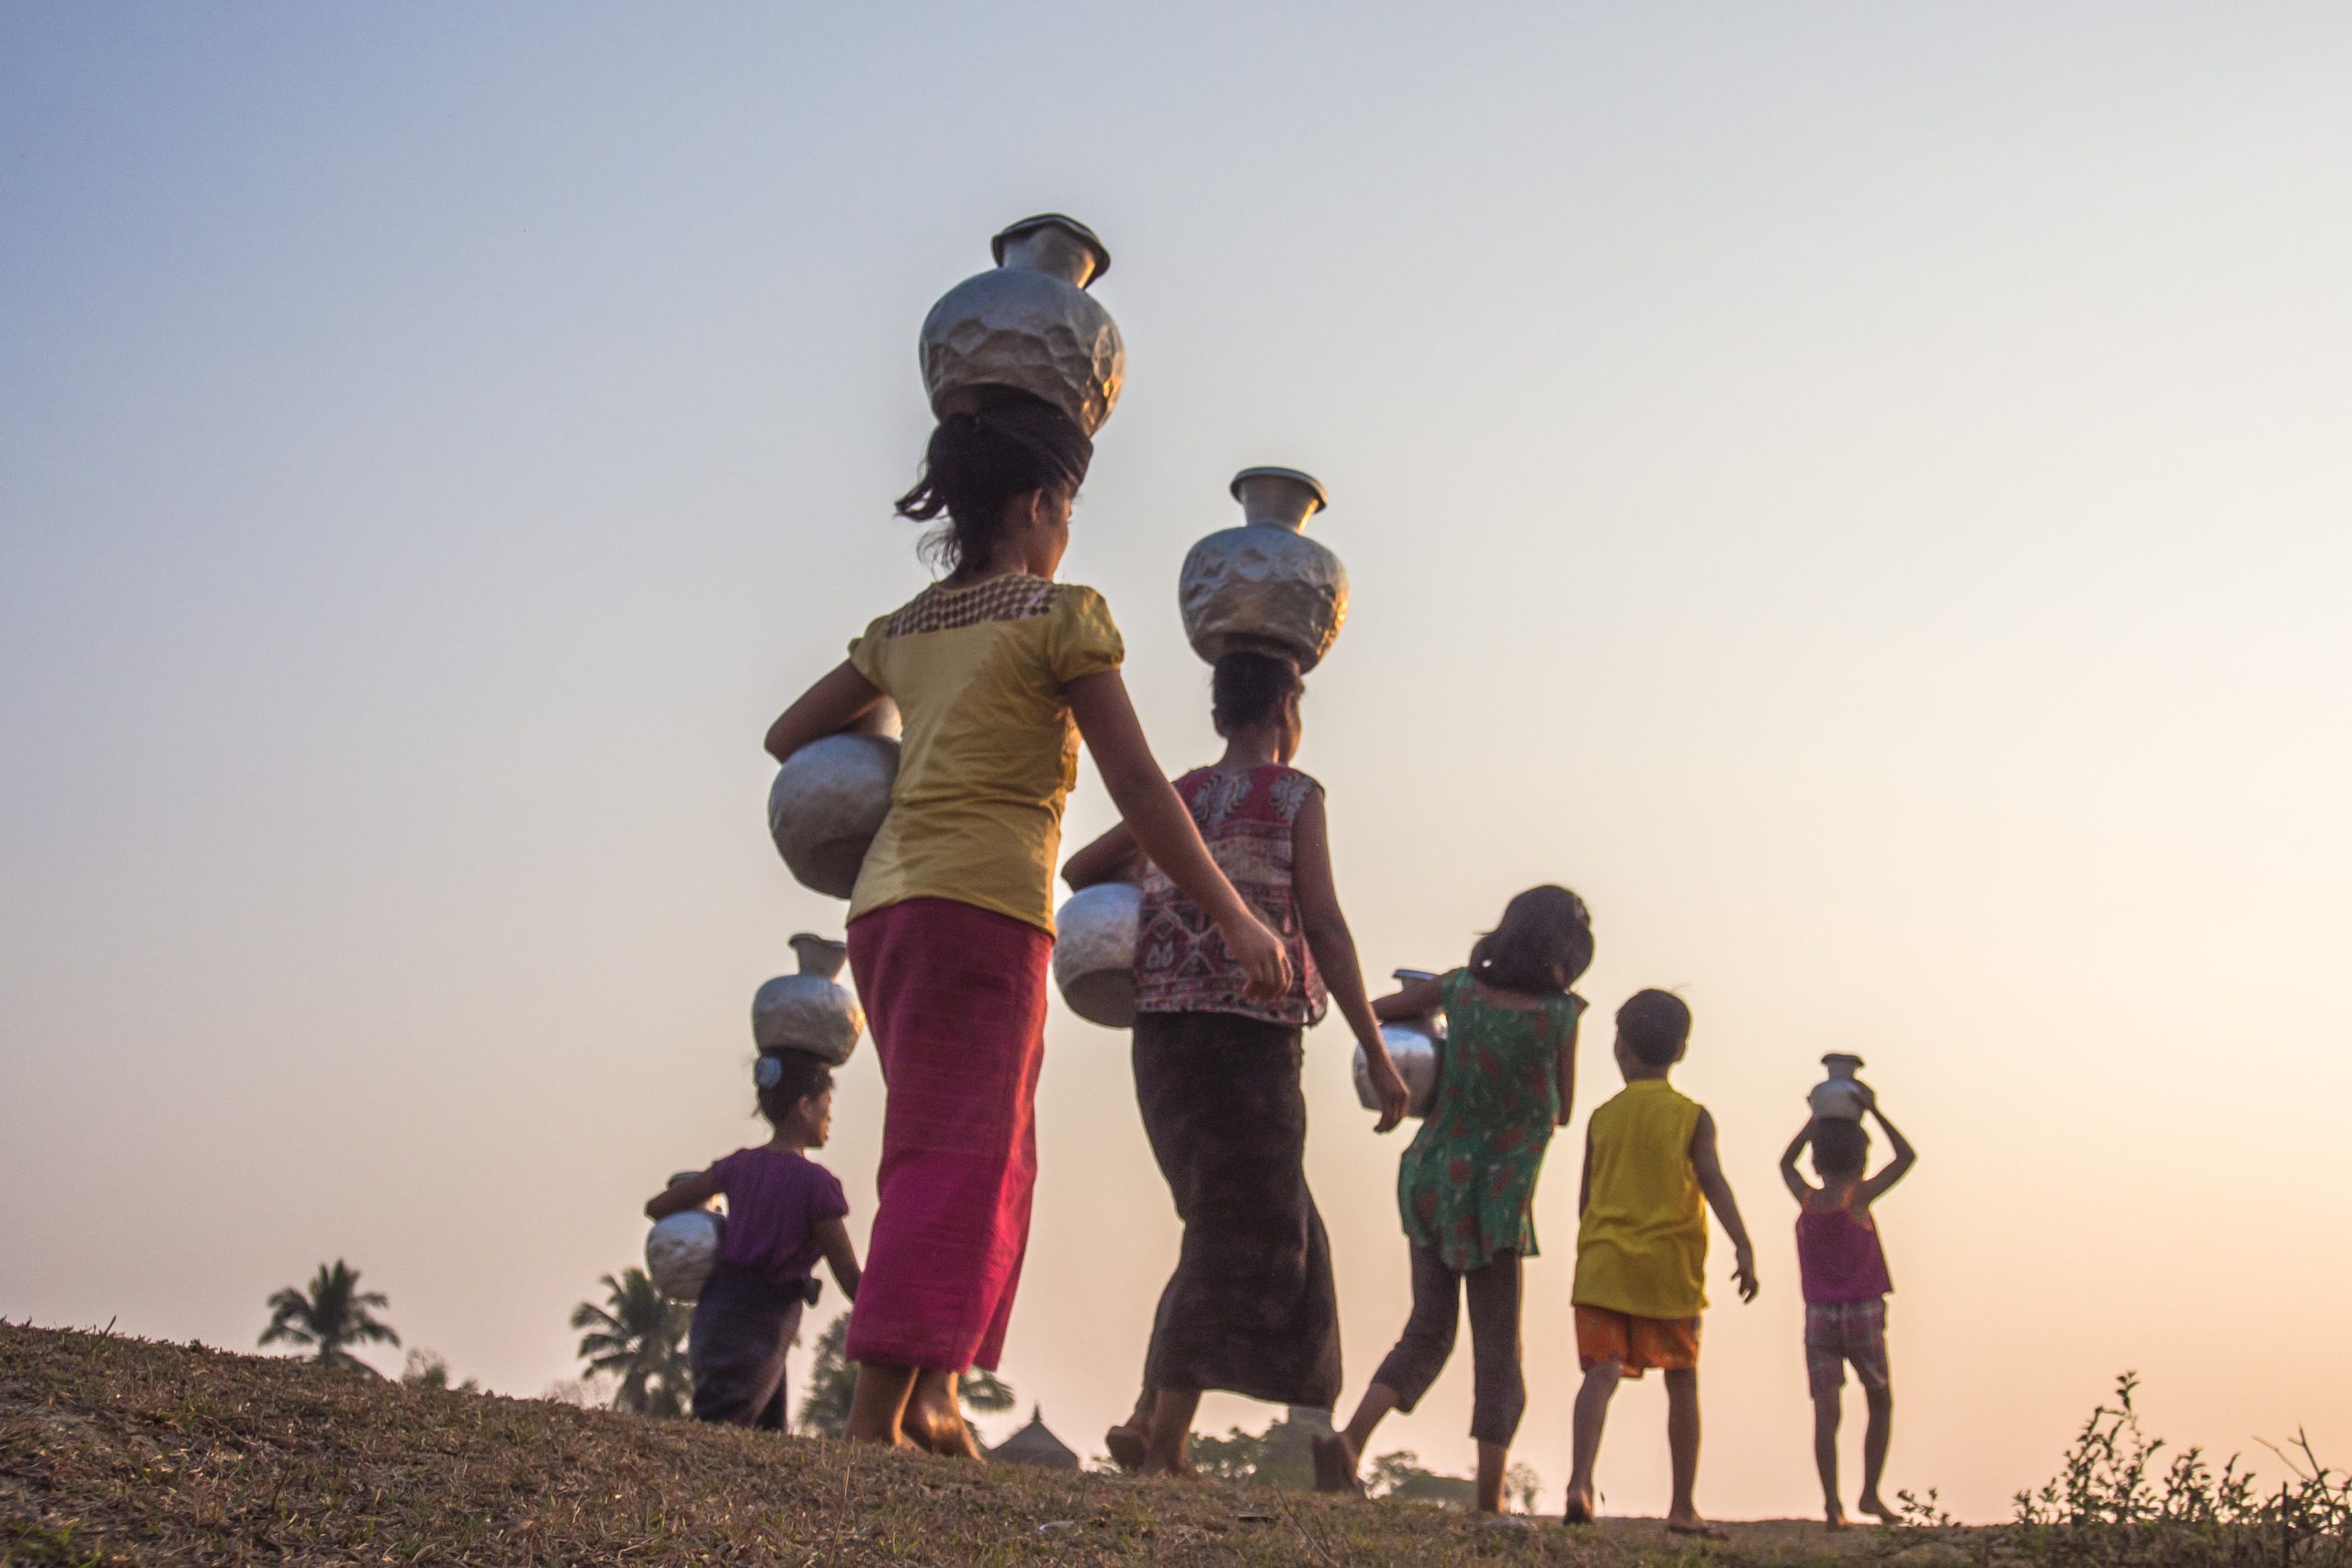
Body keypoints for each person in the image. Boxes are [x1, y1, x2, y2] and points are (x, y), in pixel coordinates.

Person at [761, 392, 1293, 1453]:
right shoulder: (1062, 615)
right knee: (958, 1154)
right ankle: (879, 1415)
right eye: (1065, 513)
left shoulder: (906, 630)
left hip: (888, 916)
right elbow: (1141, 786)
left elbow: (788, 735)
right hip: (985, 911)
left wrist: (899, 739)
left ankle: (929, 1395)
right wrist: (1232, 914)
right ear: (1042, 503)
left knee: (964, 1149)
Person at [1063, 651, 1412, 1479]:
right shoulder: (1296, 795)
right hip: (1248, 1035)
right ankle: (1162, 1433)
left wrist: (1170, 873)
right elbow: (1323, 925)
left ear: (1221, 715)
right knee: (1240, 1232)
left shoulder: (1178, 798)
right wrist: (1375, 1049)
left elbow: (1081, 871)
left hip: (1162, 1042)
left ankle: (1152, 1416)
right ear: (1288, 707)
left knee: (1229, 1223)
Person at [1311, 886, 1595, 1514]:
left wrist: (1430, 1042)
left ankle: (1350, 1439)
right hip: (1498, 1198)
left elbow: (1374, 1007)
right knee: (1499, 1349)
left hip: (1433, 1178)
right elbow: (1565, 1108)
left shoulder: (1460, 988)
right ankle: (1488, 1498)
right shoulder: (1560, 1016)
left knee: (1427, 1330)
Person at [1563, 989, 1758, 1537]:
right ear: (1682, 1050)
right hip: (1669, 1272)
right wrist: (1742, 1244)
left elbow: (1585, 1200)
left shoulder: (1602, 1117)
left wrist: (1597, 1246)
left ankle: (1580, 1481)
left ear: (1619, 1046)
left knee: (1599, 1376)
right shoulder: (1692, 1118)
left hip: (1603, 1268)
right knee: (1682, 1382)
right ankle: (1682, 1505)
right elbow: (1713, 1183)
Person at [646, 1051, 861, 1430]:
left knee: (762, 1432)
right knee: (722, 1430)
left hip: (715, 1310)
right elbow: (851, 1279)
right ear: (804, 1106)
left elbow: (658, 1206)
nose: (831, 1116)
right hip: (763, 1320)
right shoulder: (817, 1186)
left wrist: (718, 1225)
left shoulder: (739, 1166)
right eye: (827, 1104)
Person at [1781, 1093, 1916, 1529]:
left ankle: (1833, 1506)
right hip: (1861, 1314)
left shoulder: (1807, 1199)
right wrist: (1873, 1110)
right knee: (1879, 1399)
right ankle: (1870, 1493)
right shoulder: (1858, 1197)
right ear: (1861, 1160)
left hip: (1819, 1316)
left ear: (1817, 1161)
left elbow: (1785, 1164)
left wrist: (1814, 1120)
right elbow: (1906, 1156)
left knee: (1826, 1411)